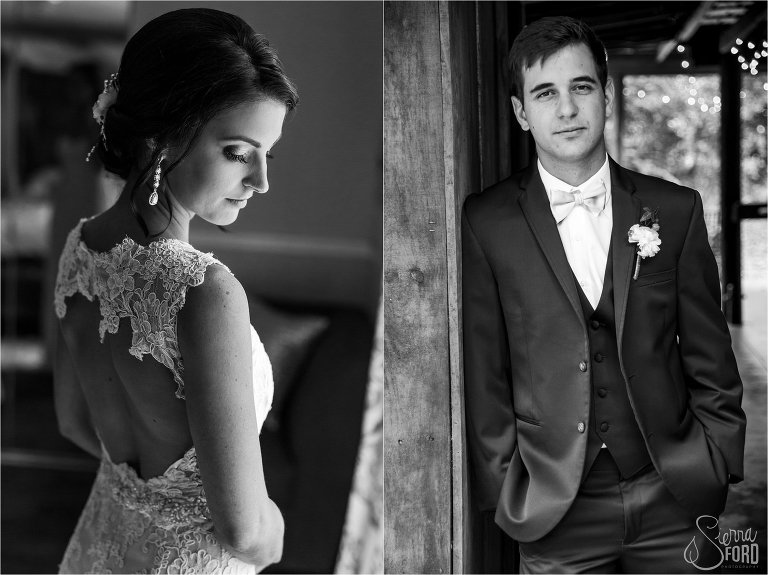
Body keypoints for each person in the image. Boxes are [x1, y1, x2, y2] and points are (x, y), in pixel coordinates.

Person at [462, 15, 746, 573]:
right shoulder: (486, 221)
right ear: (522, 113)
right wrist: (506, 486)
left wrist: (717, 458)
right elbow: (484, 367)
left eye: (581, 87)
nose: (566, 109)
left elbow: (711, 351)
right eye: (545, 93)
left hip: (675, 496)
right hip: (555, 507)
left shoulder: (674, 209)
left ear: (607, 96)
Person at [53, 8, 298, 573]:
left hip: (101, 543)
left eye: (268, 154)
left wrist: (146, 496)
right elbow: (242, 530)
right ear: (163, 137)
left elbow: (72, 423)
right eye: (238, 152)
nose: (261, 181)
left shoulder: (78, 250)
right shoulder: (204, 292)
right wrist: (277, 528)